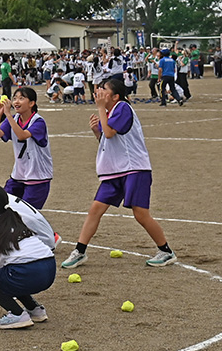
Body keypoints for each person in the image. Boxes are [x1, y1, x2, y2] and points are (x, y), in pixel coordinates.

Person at [61, 79, 177, 269]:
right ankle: (80, 251)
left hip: (134, 168)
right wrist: (95, 131)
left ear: (115, 96)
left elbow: (109, 133)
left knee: (141, 214)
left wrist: (100, 113)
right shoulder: (109, 113)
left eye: (104, 89)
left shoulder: (123, 107)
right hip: (114, 171)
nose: (99, 91)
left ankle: (166, 251)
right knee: (95, 210)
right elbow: (106, 140)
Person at [0, 186, 56, 329]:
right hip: (50, 268)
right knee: (7, 275)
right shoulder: (15, 219)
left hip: (28, 272)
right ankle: (35, 310)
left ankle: (18, 315)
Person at [0, 87, 53, 209]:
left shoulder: (38, 122)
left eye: (21, 98)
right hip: (18, 175)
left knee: (27, 215)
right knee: (2, 207)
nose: (16, 102)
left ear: (31, 103)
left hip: (37, 177)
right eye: (14, 98)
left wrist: (8, 114)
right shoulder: (13, 119)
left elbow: (22, 135)